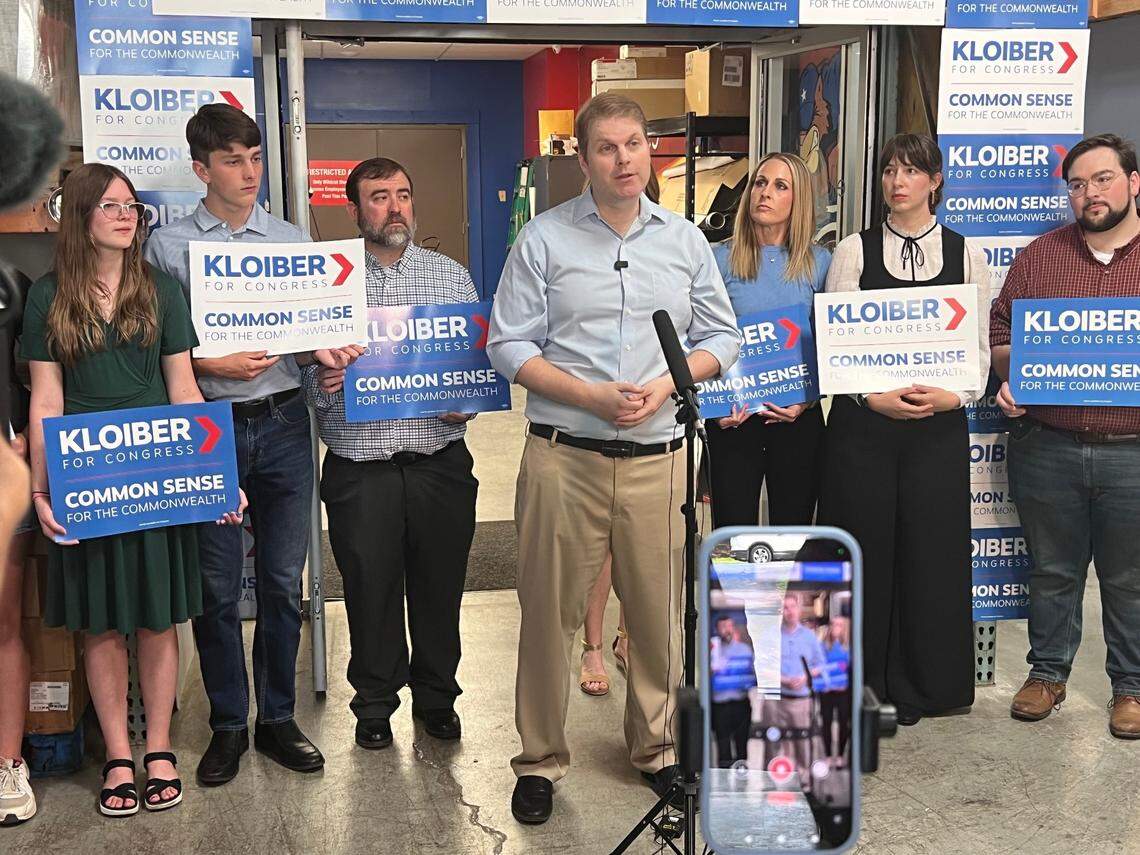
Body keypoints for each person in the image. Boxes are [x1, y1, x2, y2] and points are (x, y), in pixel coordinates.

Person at [488, 92, 741, 825]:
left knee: (660, 616)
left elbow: (722, 337)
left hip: (661, 457)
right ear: (584, 158)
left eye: (634, 144)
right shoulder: (543, 239)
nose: (624, 159)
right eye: (607, 147)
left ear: (649, 152)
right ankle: (540, 759)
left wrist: (669, 383)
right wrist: (589, 396)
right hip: (564, 456)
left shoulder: (685, 241)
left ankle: (657, 749)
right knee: (548, 616)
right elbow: (508, 344)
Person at [21, 164, 246, 816]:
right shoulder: (47, 297)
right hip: (86, 476)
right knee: (98, 622)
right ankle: (118, 754)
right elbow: (46, 401)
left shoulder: (161, 290)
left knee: (155, 617)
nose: (127, 216)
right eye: (111, 206)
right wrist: (42, 491)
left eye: (132, 207)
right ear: (80, 215)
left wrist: (219, 477)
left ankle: (159, 749)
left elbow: (184, 389)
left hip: (158, 472)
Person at [145, 104, 353, 785]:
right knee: (215, 588)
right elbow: (152, 347)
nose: (249, 172)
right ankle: (229, 723)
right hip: (209, 427)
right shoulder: (167, 246)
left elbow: (305, 334)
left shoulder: (290, 240)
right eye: (232, 161)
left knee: (283, 583)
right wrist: (211, 364)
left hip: (285, 420)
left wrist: (326, 352)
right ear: (201, 169)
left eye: (256, 158)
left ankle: (278, 718)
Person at [303, 157, 479, 750]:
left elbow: (472, 365)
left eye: (403, 194)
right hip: (361, 469)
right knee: (369, 590)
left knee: (440, 588)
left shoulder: (449, 277)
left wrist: (465, 402)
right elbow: (303, 373)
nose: (395, 206)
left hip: (438, 461)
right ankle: (374, 704)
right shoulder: (326, 282)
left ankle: (438, 698)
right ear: (354, 209)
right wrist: (324, 381)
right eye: (379, 197)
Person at [818, 133, 990, 727]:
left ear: (935, 181)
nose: (897, 181)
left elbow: (977, 348)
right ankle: (857, 685)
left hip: (936, 428)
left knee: (930, 554)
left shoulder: (966, 253)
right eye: (890, 170)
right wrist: (872, 398)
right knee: (861, 549)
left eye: (911, 171)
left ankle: (924, 683)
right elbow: (836, 344)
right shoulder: (853, 251)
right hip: (864, 427)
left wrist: (954, 396)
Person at [990, 133, 1140, 739]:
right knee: (1052, 570)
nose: (1089, 193)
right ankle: (1047, 673)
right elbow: (1000, 333)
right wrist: (1014, 376)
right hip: (1048, 444)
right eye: (1077, 184)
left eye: (1103, 179)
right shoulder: (1040, 256)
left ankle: (1131, 687)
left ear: (1134, 182)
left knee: (1130, 578)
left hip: (1133, 451)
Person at [706, 152, 831, 528]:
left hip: (798, 419)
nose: (765, 192)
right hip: (734, 419)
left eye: (780, 186)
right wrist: (714, 405)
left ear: (799, 199)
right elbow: (699, 335)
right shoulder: (717, 259)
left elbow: (831, 346)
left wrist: (808, 401)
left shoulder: (821, 262)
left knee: (792, 535)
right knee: (732, 538)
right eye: (760, 182)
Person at [1, 264, 35, 825]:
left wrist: (24, 436)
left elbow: (36, 379)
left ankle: (7, 762)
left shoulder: (11, 284)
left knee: (4, 623)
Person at [764, 593, 826, 781]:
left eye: (792, 607)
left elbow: (821, 664)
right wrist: (783, 679)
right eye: (785, 608)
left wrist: (805, 676)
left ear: (799, 609)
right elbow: (764, 666)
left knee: (802, 743)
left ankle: (804, 780)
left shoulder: (809, 636)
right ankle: (775, 779)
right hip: (777, 701)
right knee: (775, 743)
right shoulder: (772, 636)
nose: (789, 611)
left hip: (801, 702)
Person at [710, 614, 757, 769]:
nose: (727, 630)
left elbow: (753, 675)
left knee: (741, 745)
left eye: (729, 626)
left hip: (740, 703)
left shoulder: (745, 650)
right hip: (719, 705)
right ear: (717, 629)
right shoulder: (712, 651)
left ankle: (742, 778)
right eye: (723, 627)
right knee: (722, 745)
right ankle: (723, 779)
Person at [819, 617, 850, 768]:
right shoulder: (823, 645)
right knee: (826, 723)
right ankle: (828, 755)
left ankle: (840, 755)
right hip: (827, 691)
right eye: (833, 624)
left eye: (839, 625)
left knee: (844, 723)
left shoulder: (849, 647)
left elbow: (851, 669)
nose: (836, 627)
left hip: (843, 692)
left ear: (844, 628)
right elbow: (819, 666)